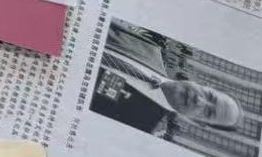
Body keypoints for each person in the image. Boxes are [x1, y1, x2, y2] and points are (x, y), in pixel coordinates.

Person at [93, 22, 243, 139]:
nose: (199, 100)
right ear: (205, 85)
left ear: (198, 122)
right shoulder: (149, 47)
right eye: (210, 96)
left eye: (208, 112)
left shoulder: (142, 126)